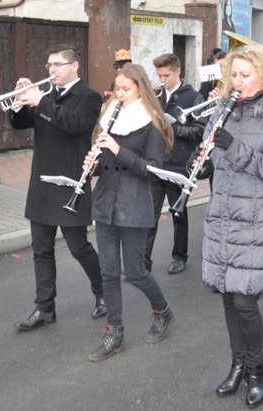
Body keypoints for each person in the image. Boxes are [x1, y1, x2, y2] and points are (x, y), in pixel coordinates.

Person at [196, 44, 263, 408]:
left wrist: (234, 147)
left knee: (245, 299)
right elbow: (216, 159)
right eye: (233, 75)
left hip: (256, 218)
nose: (237, 82)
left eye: (245, 75)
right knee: (227, 294)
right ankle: (237, 364)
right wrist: (203, 162)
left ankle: (257, 370)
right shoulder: (224, 109)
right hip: (223, 213)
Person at [10, 44, 106, 331]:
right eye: (49, 65)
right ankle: (44, 309)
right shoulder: (47, 95)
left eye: (57, 65)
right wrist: (18, 101)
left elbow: (75, 125)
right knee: (41, 249)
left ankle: (103, 291)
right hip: (41, 181)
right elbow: (19, 123)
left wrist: (41, 101)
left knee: (79, 247)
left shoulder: (89, 97)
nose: (51, 70)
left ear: (74, 66)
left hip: (69, 183)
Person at [87, 64, 176, 362]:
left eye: (125, 89)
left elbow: (152, 170)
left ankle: (162, 310)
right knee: (108, 272)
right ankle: (115, 333)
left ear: (140, 88)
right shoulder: (111, 117)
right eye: (118, 88)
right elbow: (105, 160)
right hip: (105, 204)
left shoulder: (152, 122)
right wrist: (93, 165)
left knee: (135, 271)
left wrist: (116, 150)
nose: (119, 94)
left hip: (135, 204)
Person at [145, 53, 205, 274]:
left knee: (178, 212)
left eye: (166, 75)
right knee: (149, 213)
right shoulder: (156, 95)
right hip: (156, 161)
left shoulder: (194, 97)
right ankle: (144, 260)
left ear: (178, 71)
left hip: (180, 163)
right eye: (159, 75)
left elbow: (200, 130)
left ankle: (180, 256)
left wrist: (173, 129)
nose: (162, 80)